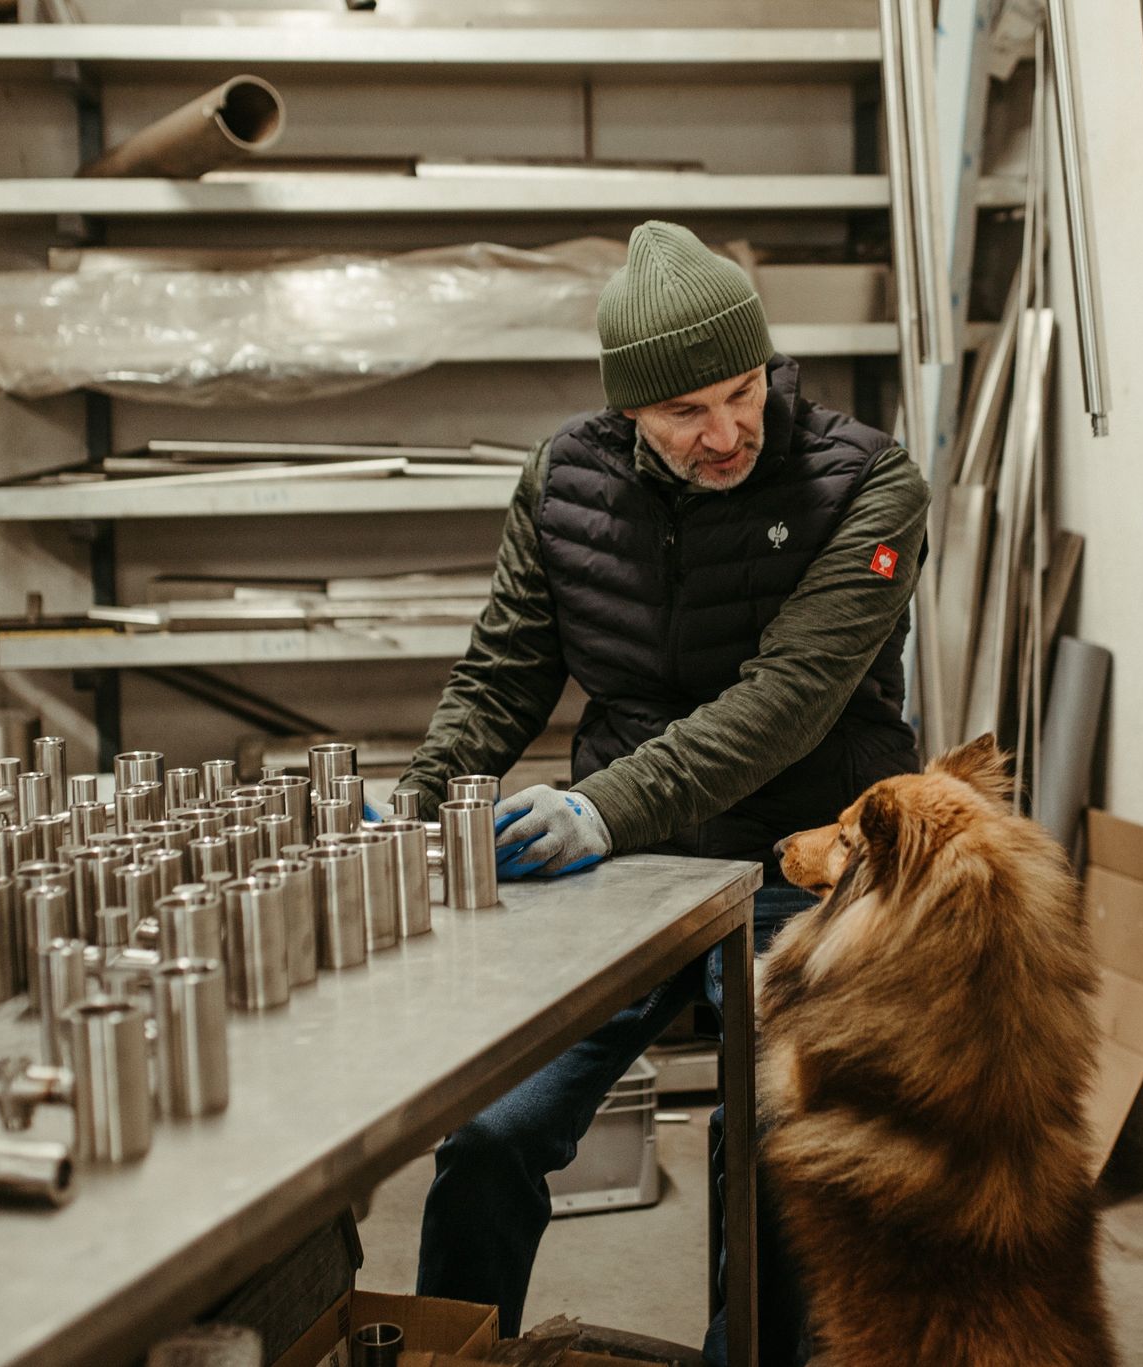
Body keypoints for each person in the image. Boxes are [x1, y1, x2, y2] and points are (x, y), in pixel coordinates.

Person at [395, 219, 927, 1364]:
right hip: (627, 868)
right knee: (489, 1130)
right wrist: (415, 805)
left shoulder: (866, 482)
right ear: (627, 408)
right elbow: (500, 678)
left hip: (807, 861)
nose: (727, 430)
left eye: (741, 391)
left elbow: (786, 699)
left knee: (781, 1141)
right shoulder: (563, 483)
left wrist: (595, 808)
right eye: (686, 411)